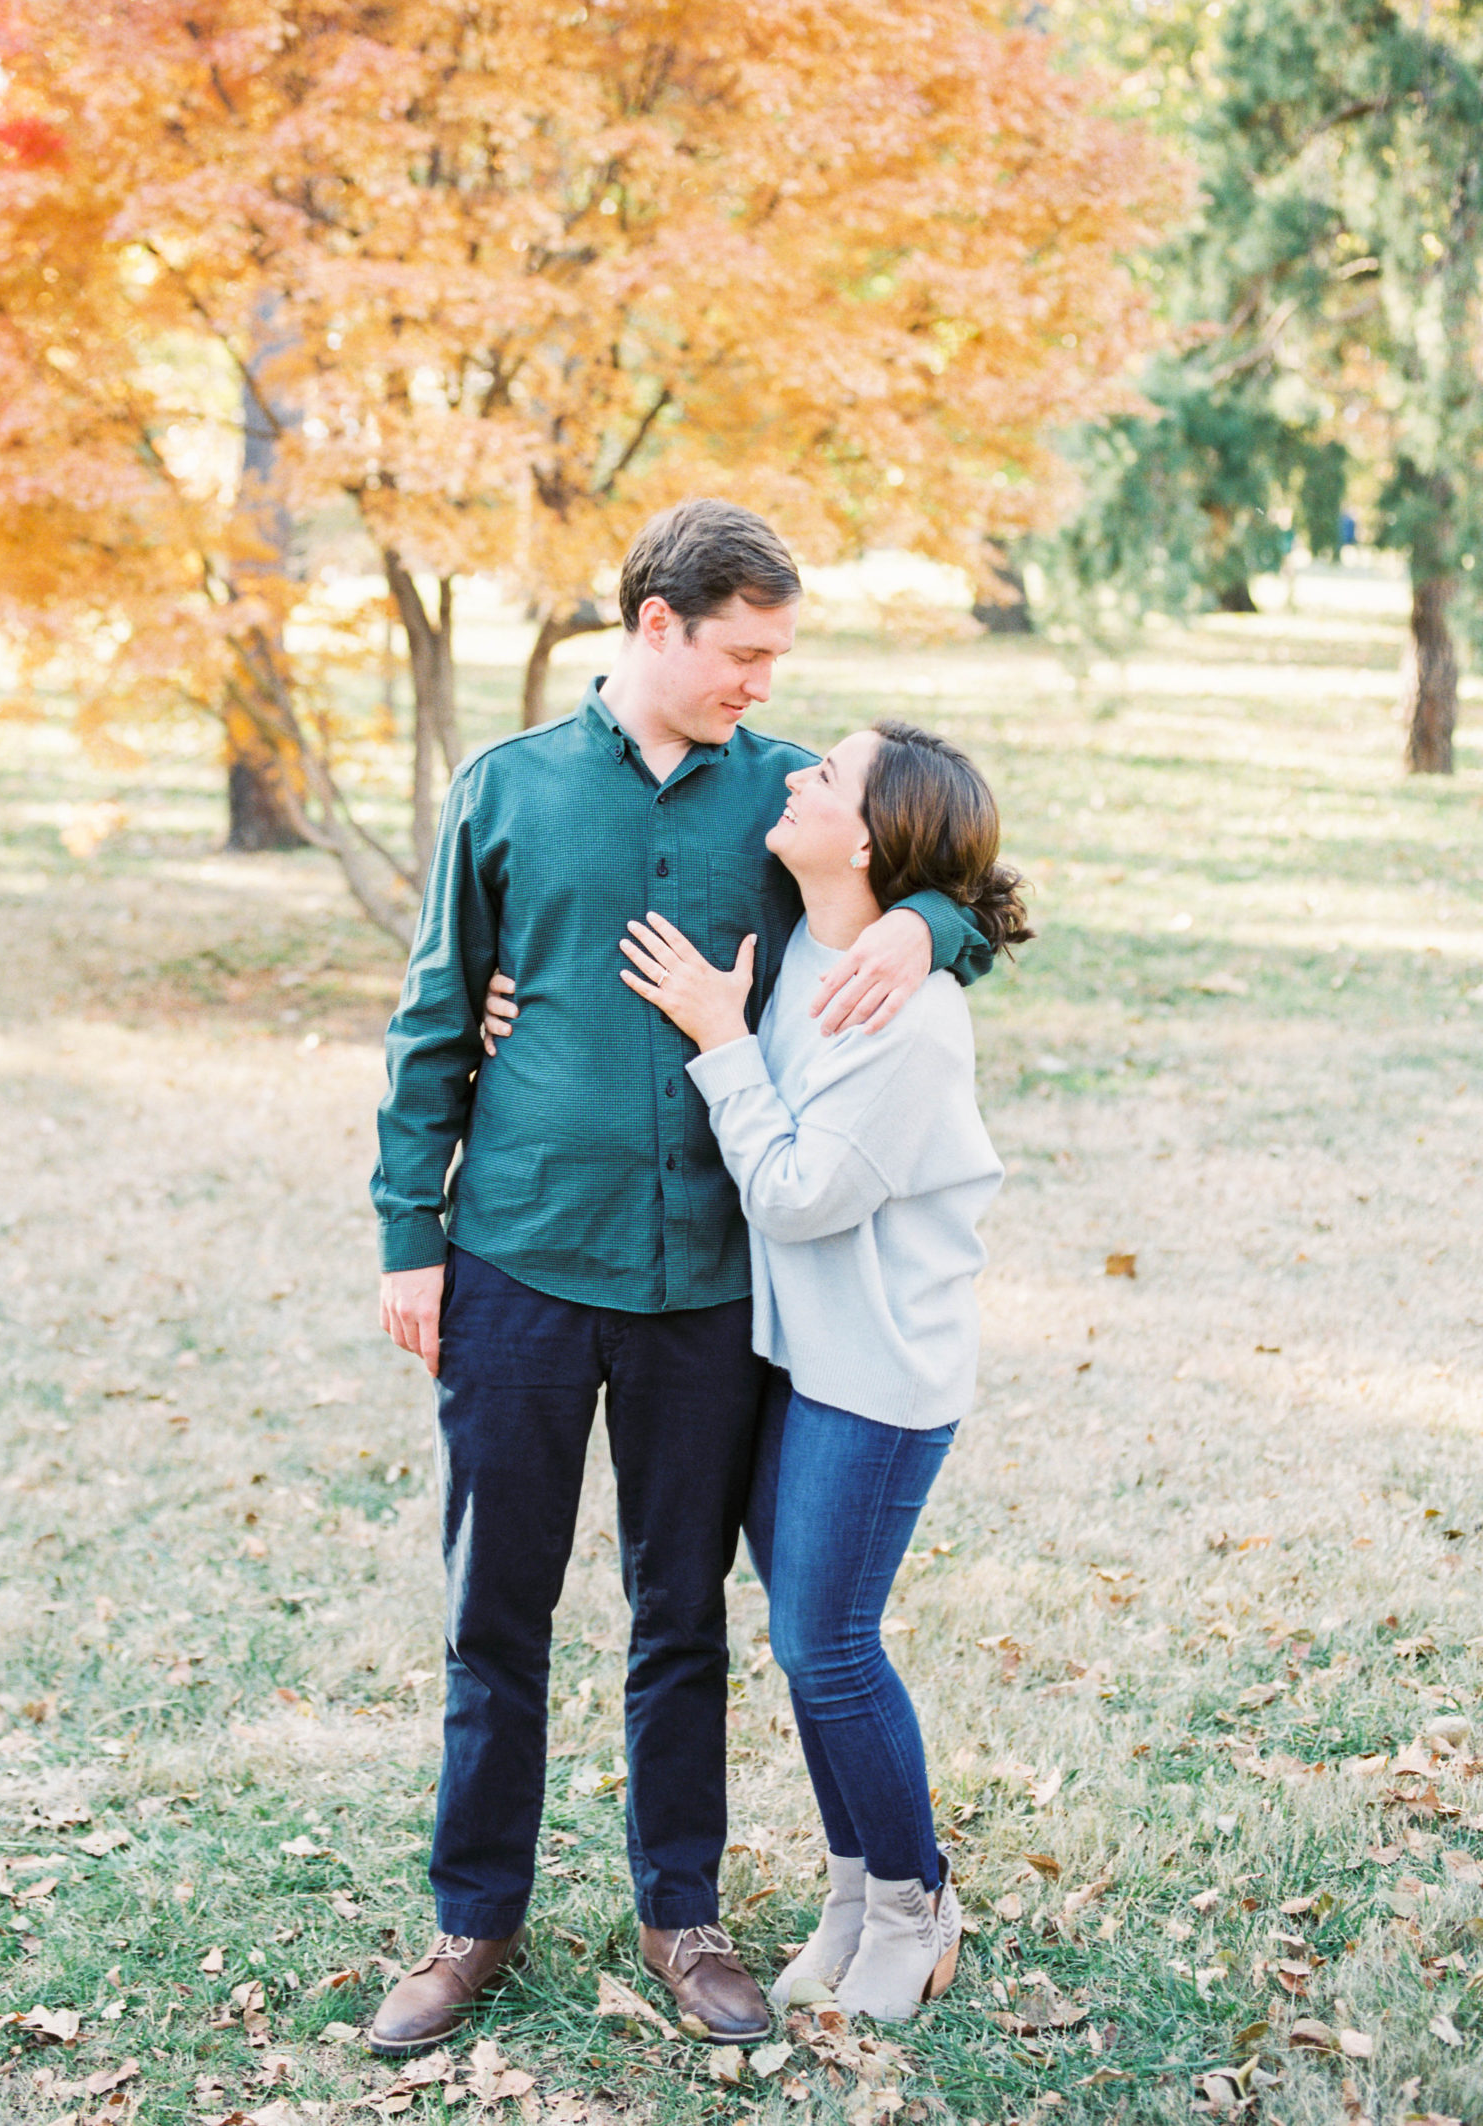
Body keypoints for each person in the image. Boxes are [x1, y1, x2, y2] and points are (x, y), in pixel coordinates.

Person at [368, 501, 993, 2057]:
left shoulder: (788, 799)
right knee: (492, 1607)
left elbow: (943, 871)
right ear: (656, 624)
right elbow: (437, 1020)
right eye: (742, 651)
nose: (762, 683)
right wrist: (406, 1236)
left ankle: (682, 1914)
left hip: (710, 1283)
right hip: (513, 1257)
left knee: (681, 1616)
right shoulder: (505, 790)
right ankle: (472, 1921)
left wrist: (928, 928)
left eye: (778, 656)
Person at [617, 720, 1029, 2021]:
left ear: (870, 836)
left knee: (828, 1640)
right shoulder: (811, 941)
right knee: (811, 1647)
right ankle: (854, 1887)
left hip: (882, 1374)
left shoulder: (908, 1018)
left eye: (828, 775)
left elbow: (801, 1193)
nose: (794, 774)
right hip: (799, 1358)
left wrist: (716, 1035)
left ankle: (916, 1902)